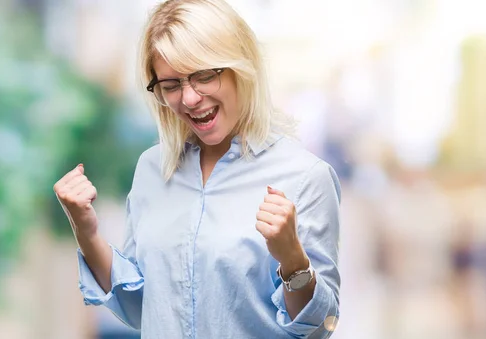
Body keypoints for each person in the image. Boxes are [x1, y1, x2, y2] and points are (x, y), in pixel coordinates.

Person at [52, 0, 341, 338]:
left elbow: (321, 328)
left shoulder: (306, 177)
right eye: (171, 85)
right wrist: (86, 231)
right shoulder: (152, 169)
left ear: (241, 67)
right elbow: (142, 310)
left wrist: (293, 260)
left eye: (204, 75)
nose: (189, 99)